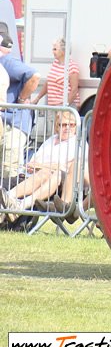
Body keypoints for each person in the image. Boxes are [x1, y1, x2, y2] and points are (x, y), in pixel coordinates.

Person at [0, 111, 86, 211]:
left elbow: (68, 167)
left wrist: (41, 166)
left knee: (46, 173)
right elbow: (34, 161)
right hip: (30, 177)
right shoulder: (51, 140)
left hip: (58, 184)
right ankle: (7, 197)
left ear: (76, 127)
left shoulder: (77, 143)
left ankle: (15, 201)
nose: (67, 128)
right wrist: (32, 166)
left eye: (71, 125)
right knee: (5, 183)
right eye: (63, 125)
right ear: (57, 126)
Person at [0, 29, 39, 183]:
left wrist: (21, 100)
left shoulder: (7, 62)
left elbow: (34, 76)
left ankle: (10, 203)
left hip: (13, 124)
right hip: (10, 123)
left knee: (9, 172)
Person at [33, 38, 80, 108]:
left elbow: (74, 90)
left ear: (63, 51)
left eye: (55, 49)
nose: (53, 52)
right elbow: (48, 82)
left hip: (66, 107)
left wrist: (64, 107)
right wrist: (37, 98)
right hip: (53, 106)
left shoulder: (72, 67)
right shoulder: (55, 63)